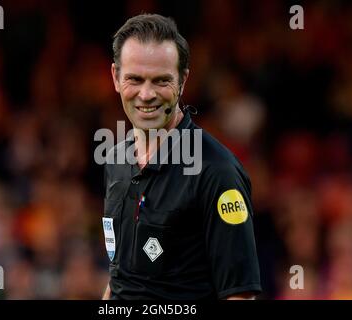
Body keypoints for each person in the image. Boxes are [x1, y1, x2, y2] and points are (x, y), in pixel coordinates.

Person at [101, 13, 261, 300]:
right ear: (115, 77)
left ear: (183, 80)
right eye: (134, 79)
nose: (146, 94)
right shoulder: (116, 159)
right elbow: (120, 278)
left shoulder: (216, 172)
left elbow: (240, 295)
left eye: (161, 81)